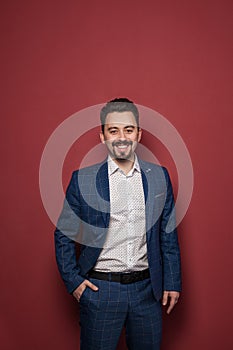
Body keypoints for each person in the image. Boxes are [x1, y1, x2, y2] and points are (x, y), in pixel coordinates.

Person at [54, 98, 181, 350]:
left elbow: (168, 235)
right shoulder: (83, 180)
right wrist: (75, 283)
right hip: (101, 291)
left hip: (147, 291)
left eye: (128, 130)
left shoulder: (159, 177)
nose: (122, 137)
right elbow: (64, 235)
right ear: (102, 136)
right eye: (114, 130)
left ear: (139, 134)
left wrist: (172, 282)